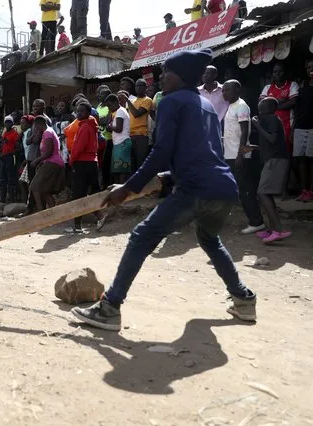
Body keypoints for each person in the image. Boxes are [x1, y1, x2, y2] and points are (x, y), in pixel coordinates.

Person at [71, 49, 257, 331]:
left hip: (195, 188)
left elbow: (160, 151)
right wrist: (166, 175)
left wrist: (128, 187)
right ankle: (244, 300)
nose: (160, 78)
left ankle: (110, 308)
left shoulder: (172, 102)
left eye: (165, 73)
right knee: (209, 239)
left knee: (141, 237)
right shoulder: (205, 105)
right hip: (223, 186)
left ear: (179, 77)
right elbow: (208, 154)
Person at [240, 98, 291, 243]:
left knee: (262, 193)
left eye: (263, 105)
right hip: (272, 159)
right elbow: (271, 143)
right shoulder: (269, 119)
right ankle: (272, 229)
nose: (259, 106)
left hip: (276, 160)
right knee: (266, 194)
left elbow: (273, 139)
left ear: (270, 108)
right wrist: (255, 148)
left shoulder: (272, 119)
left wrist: (257, 125)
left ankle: (279, 230)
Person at [222, 80, 265, 234]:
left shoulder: (241, 106)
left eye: (227, 90)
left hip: (239, 156)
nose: (223, 93)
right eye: (223, 90)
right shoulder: (231, 106)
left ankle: (256, 221)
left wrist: (241, 152)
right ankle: (254, 220)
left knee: (245, 189)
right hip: (231, 154)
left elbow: (245, 131)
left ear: (237, 90)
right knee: (240, 189)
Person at [67, 102, 101, 233]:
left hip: (82, 163)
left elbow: (78, 148)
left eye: (81, 111)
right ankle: (98, 216)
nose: (78, 113)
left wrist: (72, 161)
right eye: (77, 111)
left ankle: (78, 226)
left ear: (87, 113)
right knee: (89, 193)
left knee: (78, 194)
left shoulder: (85, 127)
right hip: (92, 162)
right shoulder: (91, 126)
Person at [260, 62, 299, 153]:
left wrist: (272, 104)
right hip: (271, 127)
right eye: (275, 71)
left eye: (280, 71)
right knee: (272, 152)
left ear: (285, 72)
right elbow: (261, 104)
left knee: (287, 152)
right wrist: (282, 100)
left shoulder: (292, 85)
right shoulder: (267, 87)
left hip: (287, 125)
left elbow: (293, 102)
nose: (277, 74)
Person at [29, 115, 65, 211]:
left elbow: (49, 152)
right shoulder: (47, 132)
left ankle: (41, 213)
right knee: (45, 190)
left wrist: (37, 160)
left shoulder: (47, 133)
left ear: (38, 124)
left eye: (35, 126)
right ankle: (52, 213)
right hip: (51, 162)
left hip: (53, 163)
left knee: (34, 186)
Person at [293, 59, 313, 202]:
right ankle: (303, 190)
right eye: (308, 67)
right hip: (300, 125)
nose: (310, 69)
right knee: (301, 159)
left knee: (311, 159)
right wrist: (294, 125)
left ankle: (311, 191)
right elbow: (296, 106)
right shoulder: (302, 84)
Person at [123, 79, 153, 172]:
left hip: (141, 135)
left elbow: (136, 114)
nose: (138, 88)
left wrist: (127, 101)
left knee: (140, 162)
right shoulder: (132, 100)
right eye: (137, 86)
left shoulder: (147, 100)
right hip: (130, 135)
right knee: (131, 163)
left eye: (141, 86)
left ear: (145, 88)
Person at [105, 94, 131, 184]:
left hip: (122, 143)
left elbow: (119, 129)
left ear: (116, 102)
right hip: (118, 143)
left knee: (122, 170)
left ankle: (121, 190)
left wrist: (110, 127)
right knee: (117, 170)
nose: (109, 108)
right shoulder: (117, 112)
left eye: (110, 106)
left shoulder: (120, 111)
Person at [0, 116, 20, 210]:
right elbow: (3, 146)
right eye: (6, 122)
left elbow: (17, 149)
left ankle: (11, 199)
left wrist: (5, 154)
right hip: (3, 158)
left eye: (9, 122)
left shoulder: (15, 134)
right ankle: (2, 200)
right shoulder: (5, 133)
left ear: (12, 123)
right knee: (2, 180)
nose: (7, 124)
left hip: (10, 158)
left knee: (11, 180)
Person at [97, 85, 114, 189]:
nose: (100, 95)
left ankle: (107, 185)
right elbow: (98, 121)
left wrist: (101, 120)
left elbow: (106, 121)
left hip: (109, 139)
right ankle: (101, 185)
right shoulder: (98, 107)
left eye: (102, 94)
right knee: (101, 164)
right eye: (99, 93)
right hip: (100, 140)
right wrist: (101, 120)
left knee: (107, 164)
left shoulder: (110, 107)